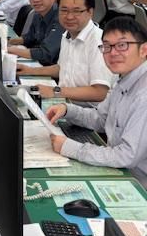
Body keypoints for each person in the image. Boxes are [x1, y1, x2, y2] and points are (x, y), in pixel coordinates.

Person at [48, 17, 147, 181]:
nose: (113, 53)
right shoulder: (124, 80)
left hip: (140, 183)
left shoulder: (143, 95)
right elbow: (100, 119)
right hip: (123, 172)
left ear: (143, 50)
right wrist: (67, 110)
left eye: (122, 45)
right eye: (107, 46)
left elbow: (126, 156)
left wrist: (72, 148)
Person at [17, 0, 114, 106]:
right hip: (66, 105)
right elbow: (63, 68)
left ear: (90, 12)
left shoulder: (99, 42)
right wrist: (30, 71)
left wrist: (55, 91)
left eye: (76, 11)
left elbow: (99, 93)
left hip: (90, 113)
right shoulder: (67, 35)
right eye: (64, 10)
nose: (69, 16)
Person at [7, 0, 64, 65]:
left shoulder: (61, 18)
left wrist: (9, 50)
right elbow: (29, 38)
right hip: (39, 62)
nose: (36, 0)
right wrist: (7, 42)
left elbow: (46, 54)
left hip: (54, 67)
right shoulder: (37, 14)